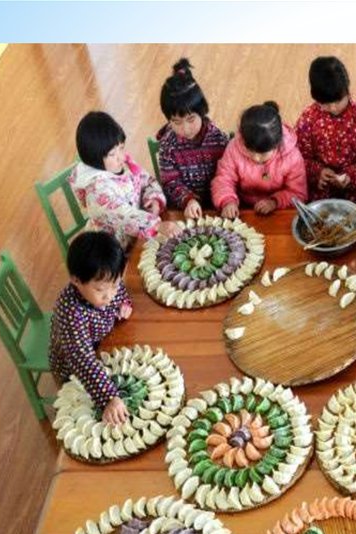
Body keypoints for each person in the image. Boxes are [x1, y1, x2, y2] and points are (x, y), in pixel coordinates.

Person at [49, 231, 135, 425]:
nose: (110, 295)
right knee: (82, 411)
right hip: (73, 366)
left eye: (115, 285)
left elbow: (120, 292)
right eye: (100, 290)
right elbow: (82, 360)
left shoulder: (108, 281)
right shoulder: (70, 311)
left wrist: (125, 304)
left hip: (102, 343)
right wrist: (109, 398)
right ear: (76, 280)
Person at [70, 111, 177, 249]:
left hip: (137, 237)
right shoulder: (96, 190)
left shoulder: (121, 164)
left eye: (121, 148)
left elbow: (147, 181)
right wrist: (156, 224)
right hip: (112, 249)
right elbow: (123, 215)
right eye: (112, 154)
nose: (121, 157)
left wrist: (153, 198)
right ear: (94, 158)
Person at [155, 58, 230, 217]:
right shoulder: (168, 146)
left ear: (202, 111)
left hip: (218, 205)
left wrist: (226, 200)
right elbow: (170, 182)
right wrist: (188, 200)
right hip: (184, 210)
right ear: (168, 120)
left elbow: (228, 175)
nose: (185, 129)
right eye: (176, 122)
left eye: (191, 119)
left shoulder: (219, 139)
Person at [295, 56, 356, 203]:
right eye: (325, 103)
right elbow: (297, 160)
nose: (333, 108)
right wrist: (317, 173)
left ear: (347, 91)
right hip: (320, 197)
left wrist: (350, 177)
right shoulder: (307, 120)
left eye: (338, 101)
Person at [210, 102, 307, 218]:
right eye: (250, 151)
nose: (256, 158)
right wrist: (227, 201)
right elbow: (223, 179)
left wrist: (275, 202)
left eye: (263, 154)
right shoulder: (234, 148)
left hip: (278, 210)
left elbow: (298, 193)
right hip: (242, 208)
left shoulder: (292, 157)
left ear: (277, 145)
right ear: (243, 140)